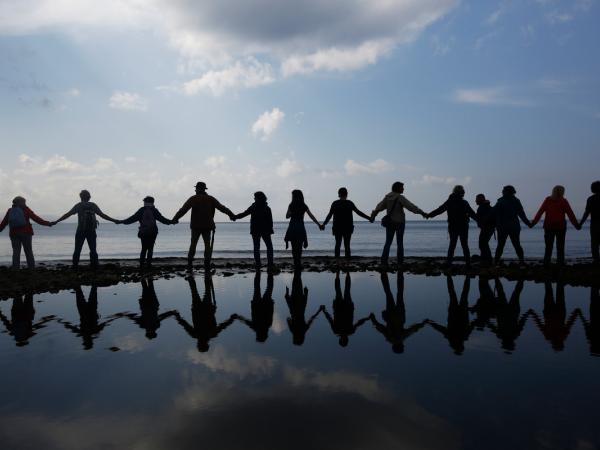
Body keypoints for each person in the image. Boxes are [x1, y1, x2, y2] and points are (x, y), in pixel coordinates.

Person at [172, 182, 235, 269]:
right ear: (204, 189)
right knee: (207, 245)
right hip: (207, 226)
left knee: (193, 244)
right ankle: (207, 264)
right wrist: (231, 215)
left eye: (196, 188)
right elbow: (222, 208)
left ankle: (190, 263)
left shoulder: (193, 198)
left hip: (196, 226)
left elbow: (183, 210)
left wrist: (175, 219)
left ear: (198, 189)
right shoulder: (210, 199)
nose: (195, 190)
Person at [53, 190, 119, 269]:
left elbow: (67, 214)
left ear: (81, 197)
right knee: (93, 249)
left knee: (77, 249)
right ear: (89, 197)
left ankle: (75, 266)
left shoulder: (78, 206)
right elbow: (103, 215)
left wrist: (57, 221)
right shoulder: (93, 205)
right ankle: (94, 265)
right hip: (91, 231)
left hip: (81, 230)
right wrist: (114, 220)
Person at [174, 274, 236, 352]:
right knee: (196, 292)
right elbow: (184, 324)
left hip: (203, 309)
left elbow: (223, 326)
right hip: (201, 309)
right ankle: (195, 278)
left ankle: (202, 277)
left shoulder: (209, 334)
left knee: (204, 291)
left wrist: (231, 319)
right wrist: (177, 316)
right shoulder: (203, 334)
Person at [371, 182, 427, 266]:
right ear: (398, 188)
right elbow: (411, 207)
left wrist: (373, 216)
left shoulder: (387, 197)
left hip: (390, 223)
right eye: (402, 187)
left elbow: (379, 207)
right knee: (400, 243)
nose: (403, 189)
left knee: (388, 242)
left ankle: (384, 261)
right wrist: (422, 212)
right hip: (399, 223)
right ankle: (400, 262)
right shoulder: (400, 198)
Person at [369, 271, 426, 353]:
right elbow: (380, 328)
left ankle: (400, 273)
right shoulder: (390, 338)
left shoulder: (401, 338)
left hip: (399, 315)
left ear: (401, 346)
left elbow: (413, 329)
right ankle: (384, 274)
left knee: (399, 293)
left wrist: (423, 324)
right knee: (388, 293)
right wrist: (373, 319)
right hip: (391, 315)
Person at [427, 185, 478, 266]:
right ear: (461, 193)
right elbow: (472, 214)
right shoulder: (464, 203)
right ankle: (468, 264)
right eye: (463, 192)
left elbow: (440, 210)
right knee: (464, 245)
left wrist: (429, 215)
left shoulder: (449, 202)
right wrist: (481, 222)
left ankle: (449, 262)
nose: (464, 193)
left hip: (453, 226)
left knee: (452, 244)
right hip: (463, 226)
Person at [530, 185, 580, 266]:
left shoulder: (548, 200)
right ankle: (560, 263)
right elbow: (571, 214)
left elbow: (540, 212)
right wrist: (576, 225)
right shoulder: (563, 201)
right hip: (561, 227)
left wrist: (533, 223)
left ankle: (546, 263)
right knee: (560, 246)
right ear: (562, 192)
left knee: (548, 246)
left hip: (549, 226)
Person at [119, 196, 175, 268]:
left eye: (144, 201)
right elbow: (162, 219)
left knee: (144, 249)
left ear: (146, 202)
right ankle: (149, 264)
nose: (143, 203)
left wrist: (122, 222)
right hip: (153, 232)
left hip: (143, 232)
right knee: (150, 249)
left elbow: (132, 219)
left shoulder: (141, 210)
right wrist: (171, 222)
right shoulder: (154, 210)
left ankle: (141, 264)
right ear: (152, 202)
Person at [0, 196, 52, 269]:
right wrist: (48, 223)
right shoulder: (26, 209)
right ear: (20, 202)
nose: (25, 204)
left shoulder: (10, 210)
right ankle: (31, 268)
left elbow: (4, 222)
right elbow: (36, 218)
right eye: (24, 202)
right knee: (28, 251)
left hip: (13, 234)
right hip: (26, 233)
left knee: (16, 252)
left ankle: (15, 268)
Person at [321, 187, 373, 260]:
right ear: (347, 194)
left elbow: (329, 215)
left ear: (339, 194)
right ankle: (348, 264)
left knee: (337, 244)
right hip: (348, 228)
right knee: (347, 245)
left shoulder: (335, 203)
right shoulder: (349, 203)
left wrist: (324, 224)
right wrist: (369, 218)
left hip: (337, 227)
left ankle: (337, 262)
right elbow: (358, 212)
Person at [426, 276, 473, 355]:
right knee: (453, 293)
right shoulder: (452, 336)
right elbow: (440, 329)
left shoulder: (463, 336)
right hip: (456, 311)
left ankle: (466, 276)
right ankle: (449, 276)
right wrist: (430, 323)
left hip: (460, 311)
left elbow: (472, 325)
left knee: (464, 293)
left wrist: (431, 323)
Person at [321, 271, 370, 347]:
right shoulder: (347, 331)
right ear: (345, 339)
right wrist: (367, 318)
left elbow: (330, 319)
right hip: (345, 307)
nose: (344, 338)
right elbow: (359, 323)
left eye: (343, 339)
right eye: (345, 339)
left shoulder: (341, 330)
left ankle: (341, 273)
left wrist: (324, 311)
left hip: (341, 307)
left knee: (343, 290)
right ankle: (344, 272)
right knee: (344, 290)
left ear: (341, 339)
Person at [233, 191, 274, 271]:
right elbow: (270, 221)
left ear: (258, 198)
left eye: (255, 197)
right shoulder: (267, 208)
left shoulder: (254, 206)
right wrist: (270, 230)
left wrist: (235, 217)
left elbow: (244, 214)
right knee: (269, 247)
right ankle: (270, 263)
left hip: (255, 229)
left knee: (256, 247)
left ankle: (258, 264)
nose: (254, 199)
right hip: (265, 230)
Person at [492, 185, 531, 265]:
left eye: (503, 190)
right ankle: (522, 262)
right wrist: (528, 224)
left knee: (500, 246)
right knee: (517, 245)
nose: (502, 192)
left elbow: (492, 213)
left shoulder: (501, 201)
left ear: (507, 192)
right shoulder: (516, 201)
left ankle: (496, 262)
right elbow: (521, 214)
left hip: (502, 227)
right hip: (514, 227)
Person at [284, 190, 322, 270]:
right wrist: (318, 224)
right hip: (300, 227)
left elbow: (287, 216)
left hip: (293, 227)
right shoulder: (303, 205)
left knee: (294, 247)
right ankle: (298, 263)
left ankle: (296, 263)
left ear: (294, 196)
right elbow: (311, 216)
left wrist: (292, 213)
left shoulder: (291, 205)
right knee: (299, 247)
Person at [233, 271, 275, 343]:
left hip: (262, 303)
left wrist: (272, 303)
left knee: (267, 287)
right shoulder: (256, 327)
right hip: (258, 304)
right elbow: (245, 321)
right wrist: (237, 317)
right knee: (258, 287)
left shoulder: (266, 325)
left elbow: (271, 311)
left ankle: (266, 272)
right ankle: (261, 271)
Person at [285, 271, 323, 346]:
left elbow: (312, 318)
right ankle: (297, 265)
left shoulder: (303, 330)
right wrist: (287, 295)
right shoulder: (293, 330)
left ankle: (297, 266)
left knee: (298, 279)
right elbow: (288, 319)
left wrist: (319, 310)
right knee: (296, 280)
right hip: (294, 303)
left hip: (301, 303)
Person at [579, 180, 600, 264]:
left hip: (595, 224)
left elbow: (586, 213)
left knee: (594, 242)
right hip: (595, 224)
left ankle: (596, 260)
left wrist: (580, 224)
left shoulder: (591, 199)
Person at [475, 194, 495, 265]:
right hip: (488, 228)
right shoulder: (485, 206)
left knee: (482, 243)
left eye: (476, 199)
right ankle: (486, 259)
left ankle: (487, 260)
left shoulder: (483, 207)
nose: (475, 201)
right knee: (484, 243)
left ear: (481, 199)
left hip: (487, 228)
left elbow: (480, 217)